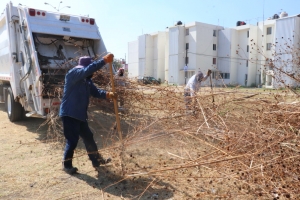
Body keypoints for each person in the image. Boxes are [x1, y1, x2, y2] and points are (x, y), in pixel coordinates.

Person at [59, 53, 116, 174]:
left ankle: (96, 160)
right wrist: (103, 61)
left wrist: (107, 94)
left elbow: (95, 92)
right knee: (72, 140)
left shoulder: (86, 81)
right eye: (90, 70)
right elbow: (88, 70)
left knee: (88, 137)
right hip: (69, 114)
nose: (93, 73)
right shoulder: (73, 74)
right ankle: (67, 165)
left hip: (80, 115)